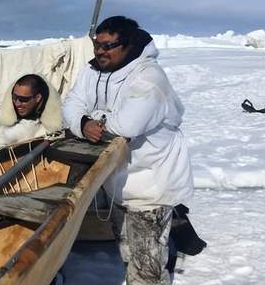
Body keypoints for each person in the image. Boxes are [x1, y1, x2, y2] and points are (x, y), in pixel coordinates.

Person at [62, 16, 193, 284]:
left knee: (146, 267)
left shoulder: (149, 78)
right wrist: (84, 122)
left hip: (151, 187)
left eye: (109, 45)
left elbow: (126, 125)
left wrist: (91, 119)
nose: (100, 51)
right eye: (97, 45)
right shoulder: (93, 71)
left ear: (129, 44)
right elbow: (71, 104)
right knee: (127, 253)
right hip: (118, 184)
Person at [0, 74, 62, 151]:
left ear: (38, 98)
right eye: (14, 98)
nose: (17, 104)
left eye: (23, 99)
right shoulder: (0, 126)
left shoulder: (52, 128)